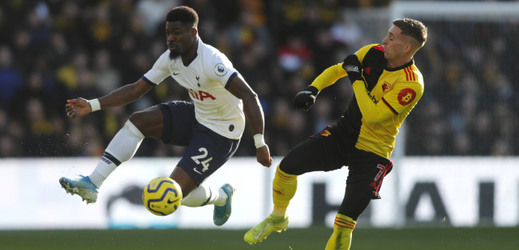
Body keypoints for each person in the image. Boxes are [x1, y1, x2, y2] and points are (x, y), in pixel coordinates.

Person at [59, 6, 273, 227]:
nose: (171, 38)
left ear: (193, 33)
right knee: (136, 123)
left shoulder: (213, 61)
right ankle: (92, 183)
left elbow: (249, 95)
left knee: (175, 194)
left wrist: (260, 142)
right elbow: (136, 89)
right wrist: (92, 105)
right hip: (198, 114)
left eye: (177, 32)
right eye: (168, 32)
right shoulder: (170, 59)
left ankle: (222, 196)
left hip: (221, 133)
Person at [244, 18, 428, 249]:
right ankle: (278, 217)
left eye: (391, 38)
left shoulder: (412, 84)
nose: (384, 40)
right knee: (286, 167)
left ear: (406, 47)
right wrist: (313, 89)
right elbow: (339, 69)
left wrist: (357, 80)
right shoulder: (373, 52)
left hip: (373, 153)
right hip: (342, 135)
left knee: (343, 226)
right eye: (387, 34)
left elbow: (372, 115)